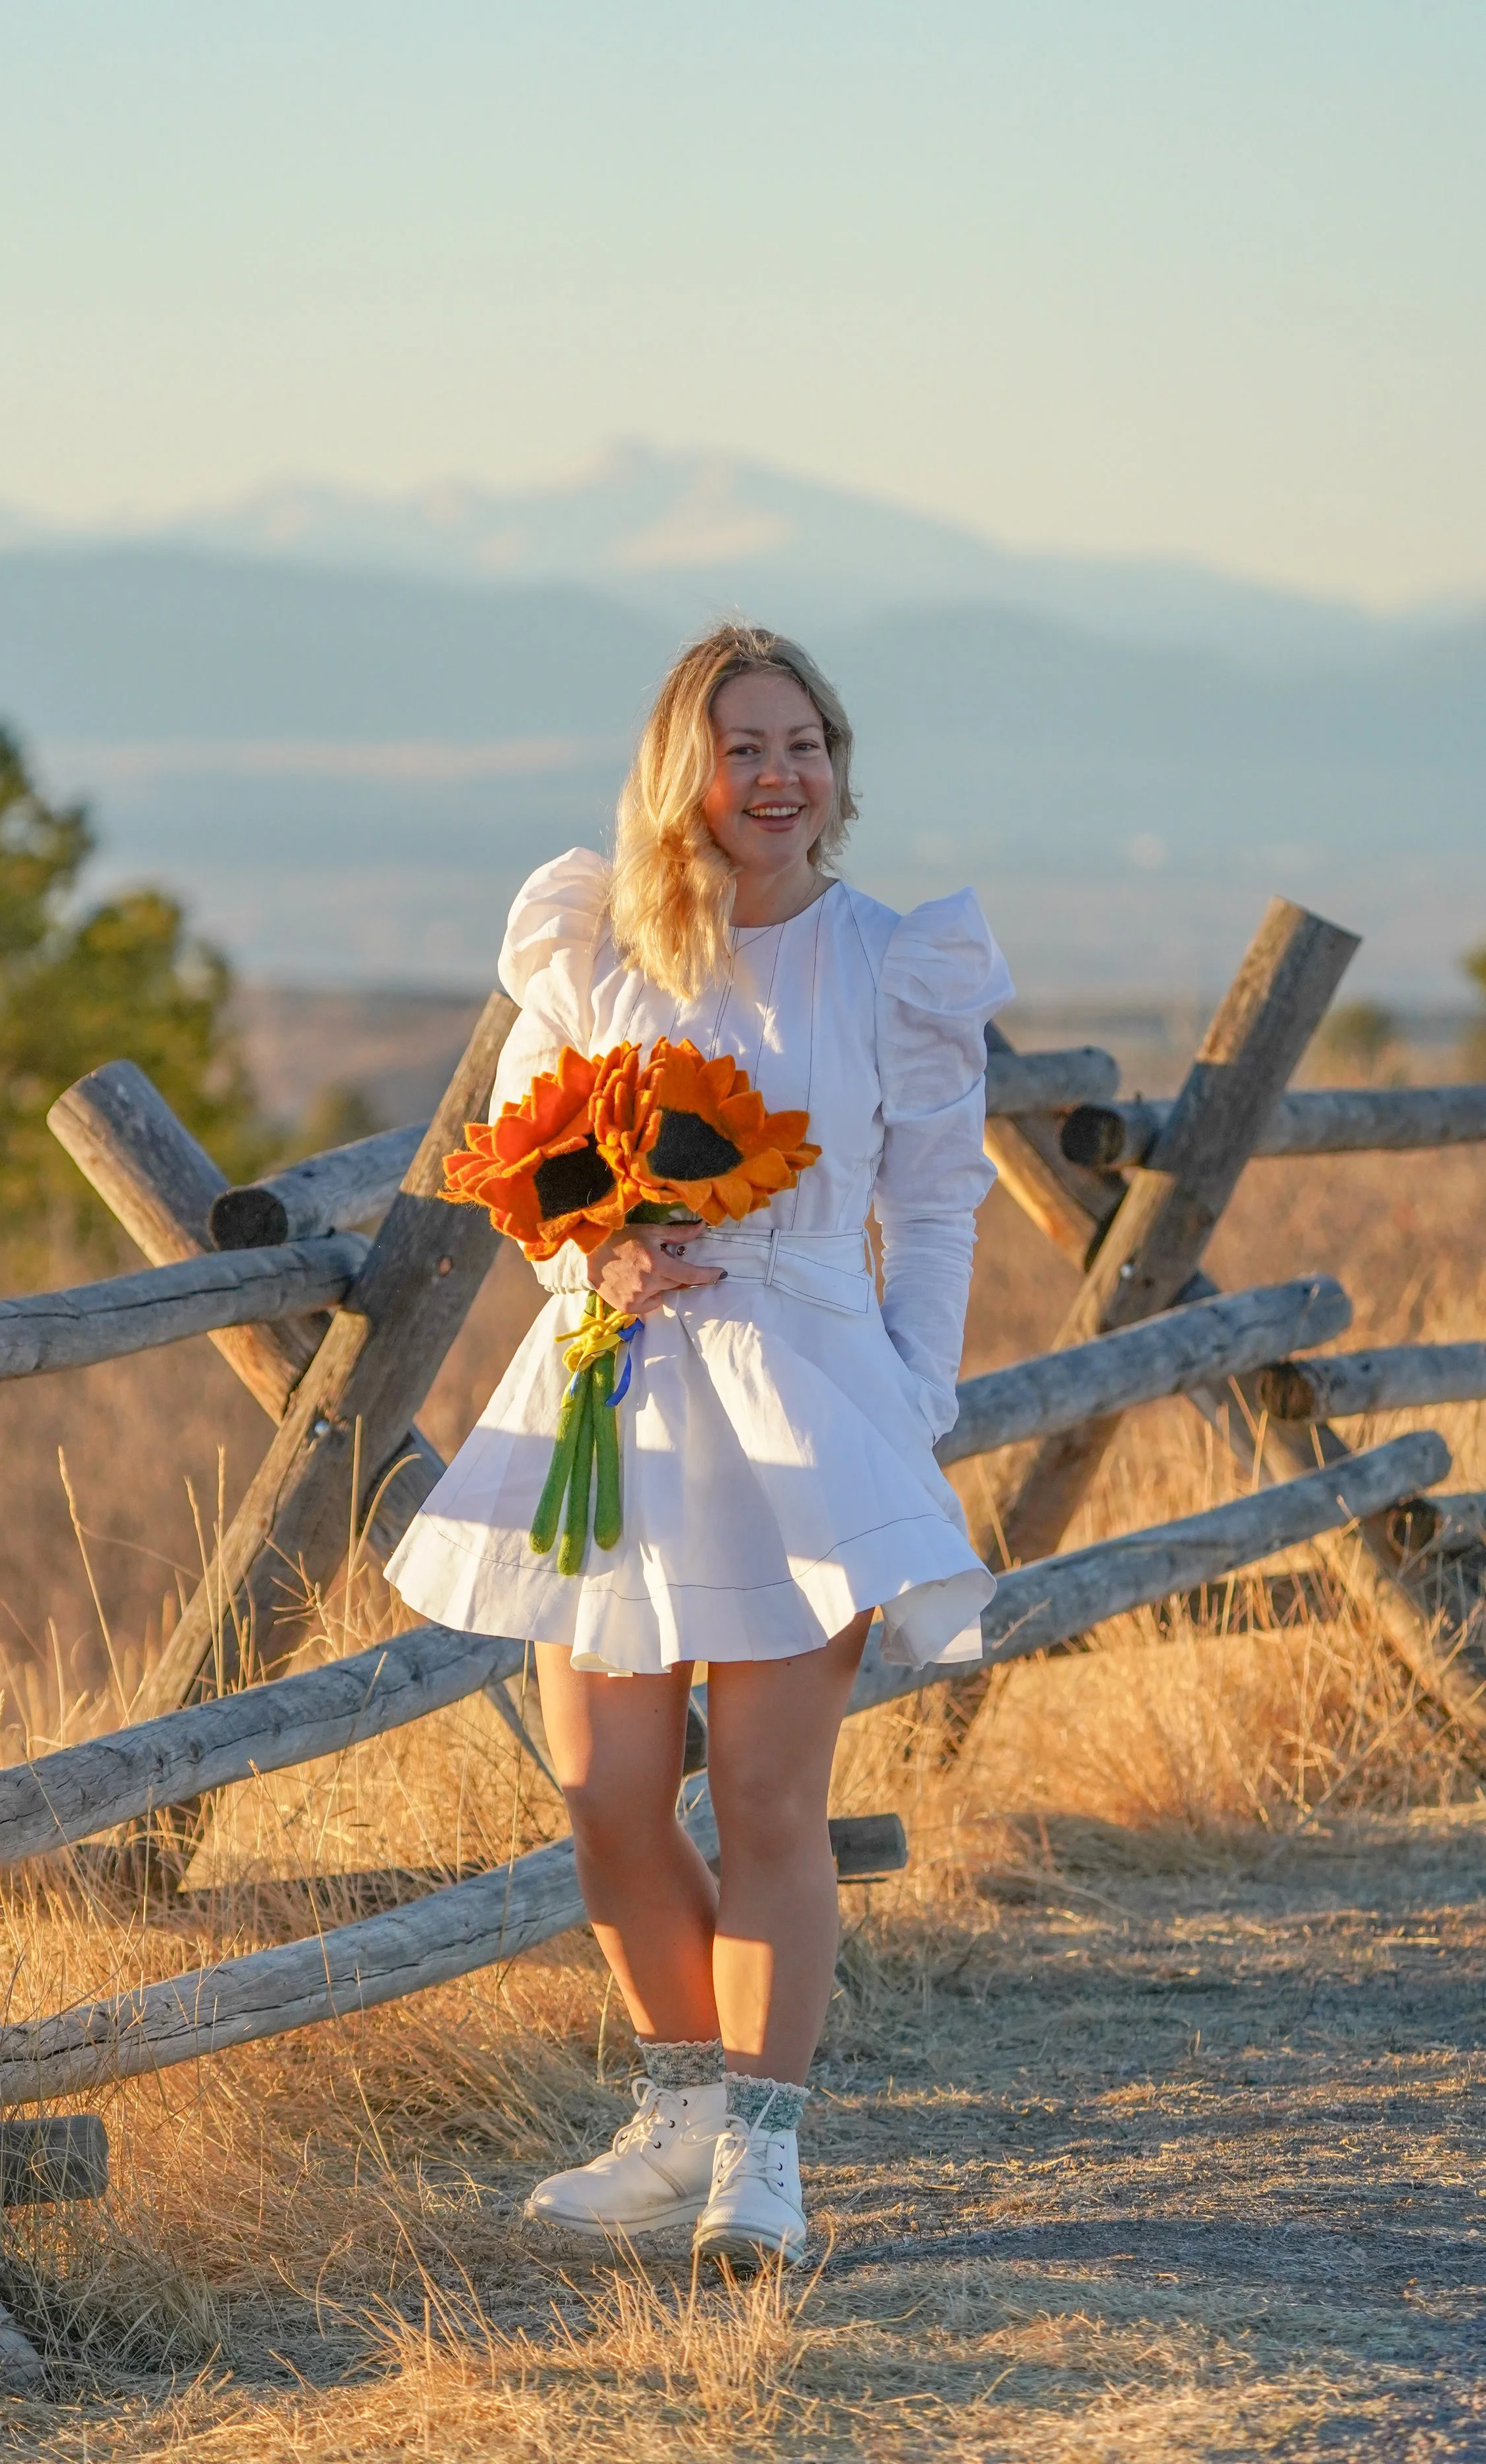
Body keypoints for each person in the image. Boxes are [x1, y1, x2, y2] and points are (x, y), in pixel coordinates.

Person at [387, 624, 1012, 2263]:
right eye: (745, 746)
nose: (780, 775)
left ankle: (766, 2159)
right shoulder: (596, 956)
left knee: (766, 1800)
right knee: (601, 1790)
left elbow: (932, 1200)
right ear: (687, 773)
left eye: (803, 742)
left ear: (836, 765)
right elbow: (519, 1168)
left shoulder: (890, 960)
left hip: (808, 1388)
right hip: (615, 1385)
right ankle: (675, 2118)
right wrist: (587, 1254)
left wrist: (908, 1397)